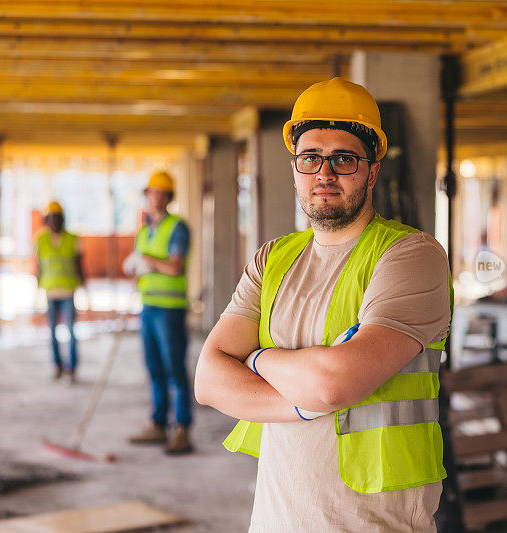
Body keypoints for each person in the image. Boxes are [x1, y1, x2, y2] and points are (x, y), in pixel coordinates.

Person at [194, 77, 452, 531]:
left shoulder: (411, 255)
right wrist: (302, 402)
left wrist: (256, 358)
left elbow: (335, 384)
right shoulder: (273, 259)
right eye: (310, 158)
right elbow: (209, 380)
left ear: (372, 170)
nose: (324, 174)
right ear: (295, 168)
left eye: (343, 159)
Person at [125, 170, 193, 455]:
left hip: (170, 310)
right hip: (148, 306)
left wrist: (148, 261)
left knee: (174, 369)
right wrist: (136, 270)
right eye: (152, 192)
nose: (156, 197)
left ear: (168, 197)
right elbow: (141, 266)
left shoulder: (177, 228)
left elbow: (174, 267)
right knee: (153, 368)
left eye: (161, 193)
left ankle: (182, 430)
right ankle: (157, 424)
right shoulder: (145, 230)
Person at [35, 201, 84, 384]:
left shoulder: (72, 238)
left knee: (71, 331)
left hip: (68, 290)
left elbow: (80, 265)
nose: (54, 221)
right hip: (50, 291)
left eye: (57, 217)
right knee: (52, 331)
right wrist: (37, 288)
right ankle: (57, 366)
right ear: (46, 220)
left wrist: (85, 288)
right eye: (51, 217)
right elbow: (39, 266)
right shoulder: (41, 240)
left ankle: (71, 367)